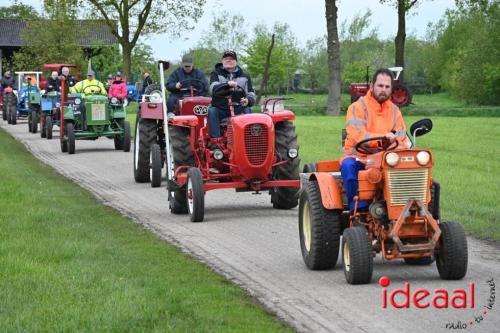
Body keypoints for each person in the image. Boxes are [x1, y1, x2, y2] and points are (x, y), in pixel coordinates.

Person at [341, 68, 411, 212]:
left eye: (387, 87)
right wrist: (383, 139)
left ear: (391, 89)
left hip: (386, 159)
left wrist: (395, 142)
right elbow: (357, 135)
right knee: (348, 167)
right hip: (360, 157)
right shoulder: (357, 107)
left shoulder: (395, 111)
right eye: (380, 86)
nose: (383, 90)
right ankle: (359, 211)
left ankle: (407, 208)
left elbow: (402, 137)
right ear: (372, 86)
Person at [207, 50, 256, 148]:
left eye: (231, 59)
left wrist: (248, 100)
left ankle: (250, 141)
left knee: (247, 109)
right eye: (226, 59)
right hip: (221, 108)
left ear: (236, 62)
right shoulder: (216, 74)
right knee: (212, 111)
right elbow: (213, 89)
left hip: (239, 108)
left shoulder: (245, 76)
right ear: (222, 61)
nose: (229, 61)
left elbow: (251, 93)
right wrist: (227, 84)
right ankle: (216, 143)